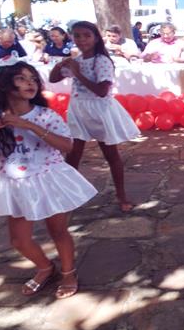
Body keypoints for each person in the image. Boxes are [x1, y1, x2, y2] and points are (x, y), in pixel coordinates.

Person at [0, 60, 97, 299]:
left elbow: (67, 145)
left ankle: (68, 272)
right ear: (5, 85)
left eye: (33, 79)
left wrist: (29, 126)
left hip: (49, 177)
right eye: (22, 78)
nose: (30, 83)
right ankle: (45, 267)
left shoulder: (45, 115)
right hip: (16, 181)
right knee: (19, 239)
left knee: (58, 230)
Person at [49, 21, 140, 211]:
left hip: (99, 110)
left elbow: (101, 91)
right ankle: (68, 194)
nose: (81, 39)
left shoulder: (102, 61)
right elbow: (53, 78)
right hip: (78, 109)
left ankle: (121, 196)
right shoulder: (78, 60)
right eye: (77, 35)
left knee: (111, 154)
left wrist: (77, 73)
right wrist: (62, 65)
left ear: (96, 38)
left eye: (86, 35)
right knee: (73, 154)